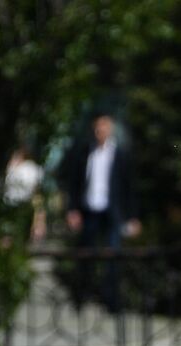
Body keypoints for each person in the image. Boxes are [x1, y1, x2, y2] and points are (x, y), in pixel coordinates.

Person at [61, 112, 141, 314]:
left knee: (112, 256)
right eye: (97, 127)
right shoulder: (84, 152)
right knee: (86, 255)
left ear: (111, 129)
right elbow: (73, 184)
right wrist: (72, 210)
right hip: (89, 210)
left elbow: (129, 188)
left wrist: (132, 217)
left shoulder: (121, 155)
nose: (100, 131)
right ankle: (81, 298)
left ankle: (111, 300)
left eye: (104, 127)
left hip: (112, 211)